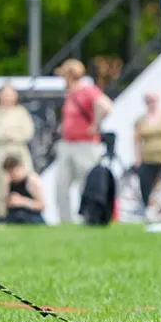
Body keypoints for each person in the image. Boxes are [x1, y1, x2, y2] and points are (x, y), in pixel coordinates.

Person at [54, 58, 112, 223]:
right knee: (61, 183)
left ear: (70, 75)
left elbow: (106, 105)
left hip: (85, 145)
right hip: (67, 144)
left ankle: (87, 216)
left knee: (85, 183)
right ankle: (64, 219)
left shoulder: (87, 91)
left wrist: (95, 124)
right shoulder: (70, 93)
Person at [0, 83, 35, 220]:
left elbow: (28, 132)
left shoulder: (21, 111)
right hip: (0, 152)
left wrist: (10, 134)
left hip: (19, 151)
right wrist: (11, 133)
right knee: (0, 182)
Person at [3, 154, 46, 225]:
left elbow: (42, 205)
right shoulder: (9, 182)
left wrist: (22, 201)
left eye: (12, 172)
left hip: (32, 217)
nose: (11, 176)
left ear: (18, 167)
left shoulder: (31, 180)